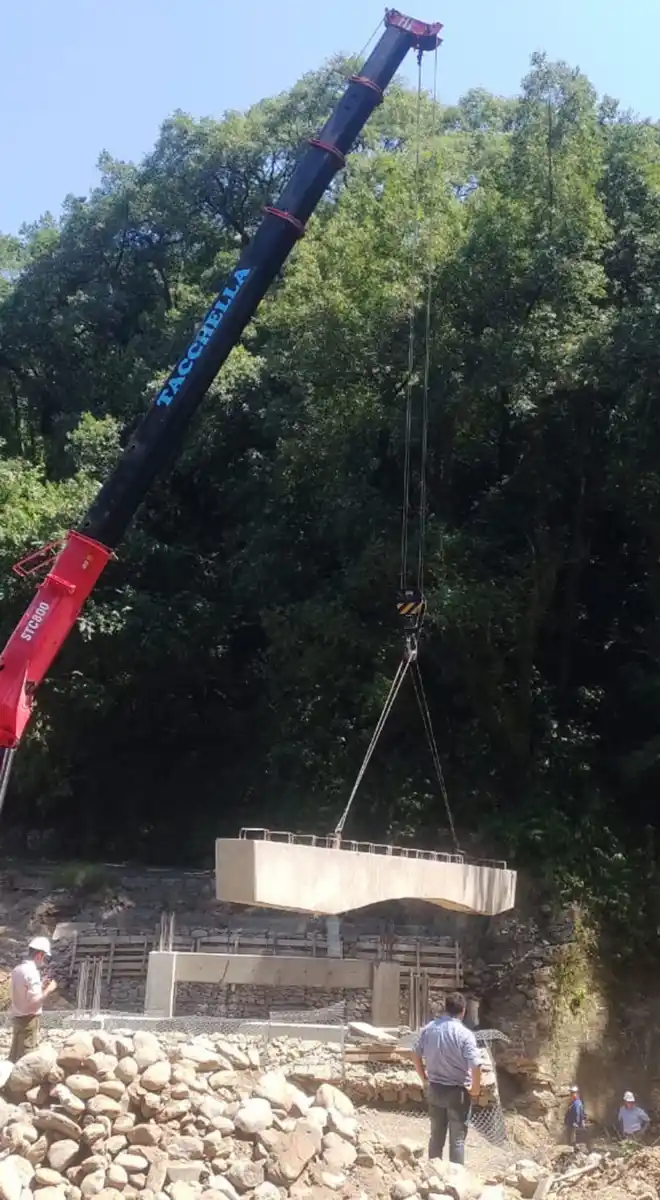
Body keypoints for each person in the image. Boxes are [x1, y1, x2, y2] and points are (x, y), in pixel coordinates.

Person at [412, 991, 482, 1166]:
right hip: (457, 1093)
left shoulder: (428, 1029)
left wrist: (424, 1078)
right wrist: (476, 1088)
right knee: (457, 1140)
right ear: (463, 1011)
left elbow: (415, 1054)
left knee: (436, 1136)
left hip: (435, 1089)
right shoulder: (465, 1035)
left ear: (445, 1008)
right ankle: (455, 1181)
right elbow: (476, 1064)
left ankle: (432, 1177)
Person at [9, 937, 57, 1062]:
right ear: (40, 955)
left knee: (15, 1055)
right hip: (29, 1019)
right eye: (45, 957)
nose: (44, 961)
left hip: (17, 1017)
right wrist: (49, 989)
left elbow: (23, 992)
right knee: (27, 1058)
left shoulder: (17, 970)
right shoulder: (32, 972)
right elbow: (35, 1000)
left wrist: (40, 985)